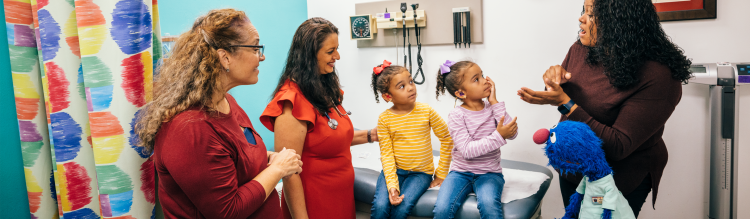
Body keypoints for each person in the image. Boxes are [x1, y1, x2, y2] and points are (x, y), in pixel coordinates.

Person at [517, 0, 692, 217]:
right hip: (572, 169)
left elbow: (618, 146)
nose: (581, 18)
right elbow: (565, 94)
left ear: (620, 22)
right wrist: (553, 81)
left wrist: (566, 104)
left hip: (618, 179)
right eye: (584, 11)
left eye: (592, 14)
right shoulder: (581, 49)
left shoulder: (660, 76)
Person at [135, 9, 303, 219]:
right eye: (255, 47)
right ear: (225, 58)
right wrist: (277, 169)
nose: (262, 56)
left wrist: (270, 157)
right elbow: (227, 211)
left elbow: (237, 155)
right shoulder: (189, 129)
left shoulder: (226, 102)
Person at [259, 17, 378, 219]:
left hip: (341, 197)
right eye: (330, 52)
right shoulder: (292, 101)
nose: (337, 56)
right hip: (314, 203)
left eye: (337, 49)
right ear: (308, 56)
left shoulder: (323, 89)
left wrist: (370, 135)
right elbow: (289, 173)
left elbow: (331, 139)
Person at [433, 60, 518, 219]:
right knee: (442, 209)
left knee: (489, 207)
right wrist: (499, 136)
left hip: (490, 173)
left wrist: (494, 102)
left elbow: (512, 133)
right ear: (461, 93)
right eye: (476, 79)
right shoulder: (456, 115)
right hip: (460, 173)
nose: (485, 81)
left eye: (482, 75)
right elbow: (467, 151)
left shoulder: (493, 108)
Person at [368, 60, 454, 219]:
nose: (410, 87)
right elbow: (387, 154)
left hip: (421, 174)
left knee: (401, 209)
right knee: (380, 207)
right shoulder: (384, 119)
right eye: (401, 86)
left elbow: (447, 138)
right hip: (395, 171)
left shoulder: (426, 111)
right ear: (388, 96)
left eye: (411, 81)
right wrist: (392, 186)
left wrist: (441, 173)